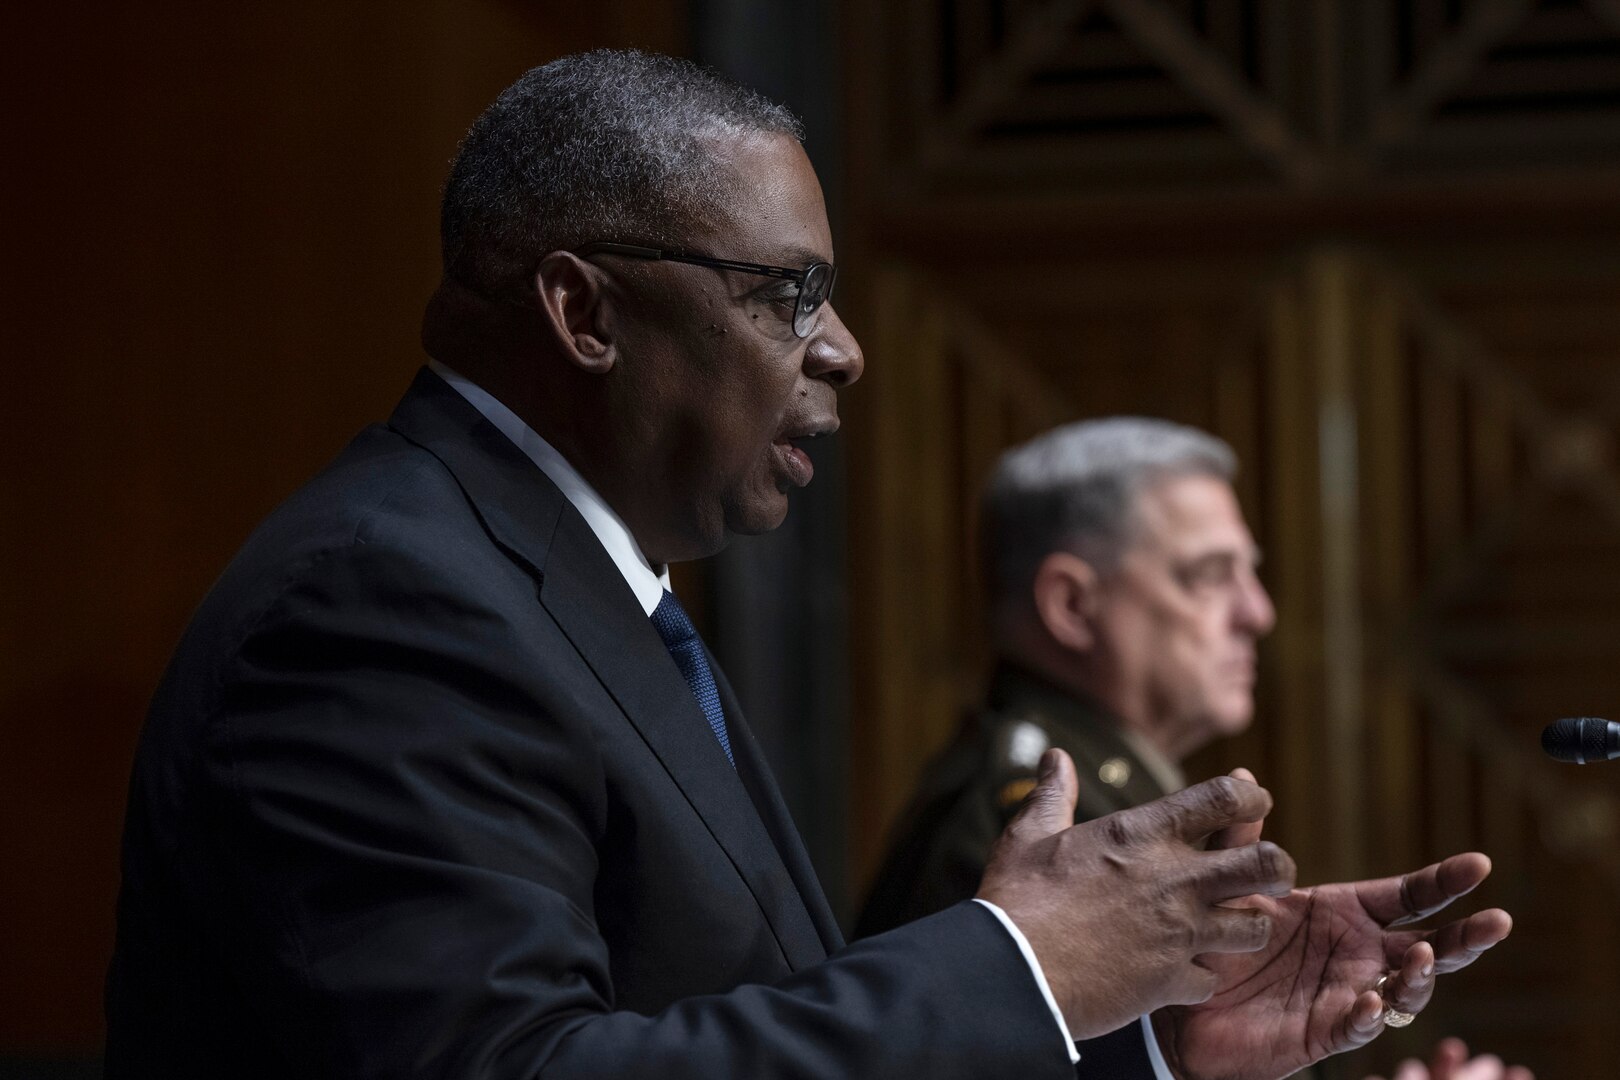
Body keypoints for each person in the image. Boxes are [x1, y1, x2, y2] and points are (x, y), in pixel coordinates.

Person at [106, 51, 1511, 1080]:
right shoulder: (381, 607)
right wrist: (1018, 967)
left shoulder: (586, 597)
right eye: (789, 295)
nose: (843, 349)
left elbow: (746, 1028)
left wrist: (1134, 1036)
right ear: (583, 309)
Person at [858, 418, 1530, 1079]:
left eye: (1250, 573)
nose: (1257, 612)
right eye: (1210, 575)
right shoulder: (1030, 832)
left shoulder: (1105, 803)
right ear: (1072, 604)